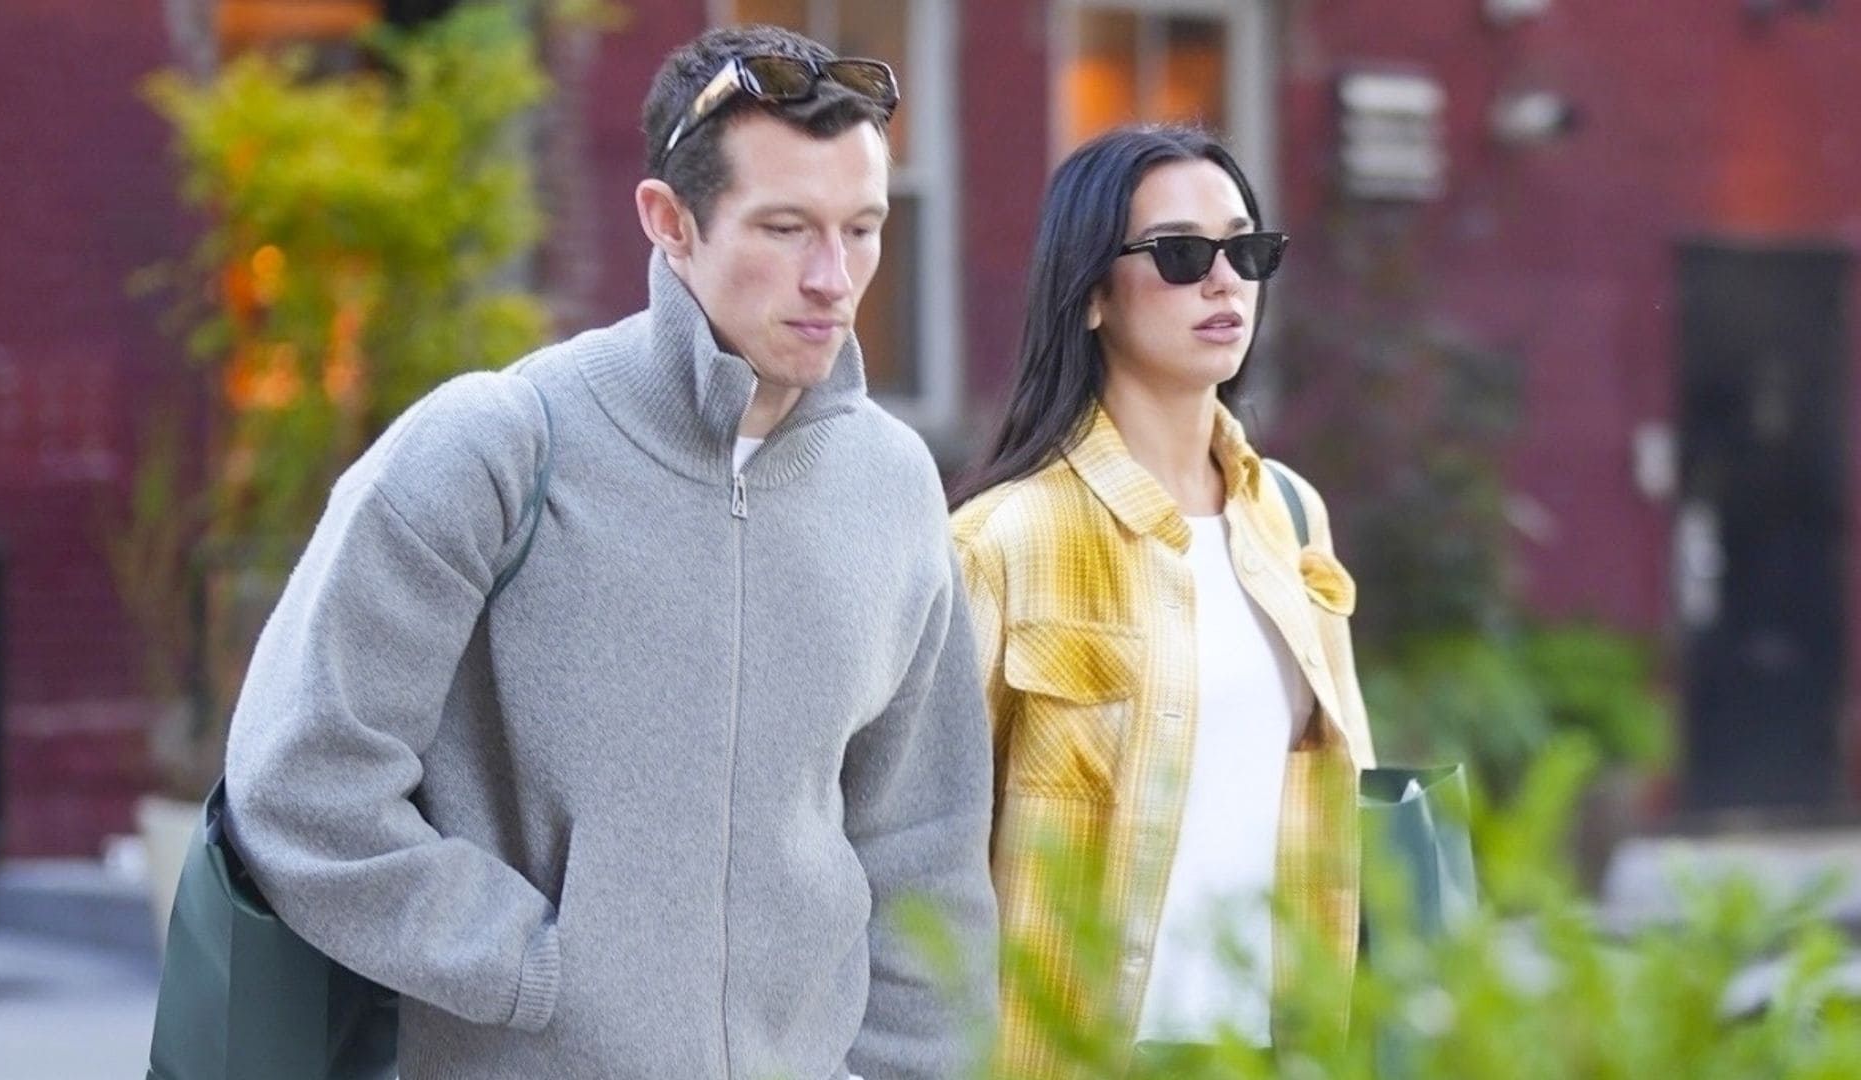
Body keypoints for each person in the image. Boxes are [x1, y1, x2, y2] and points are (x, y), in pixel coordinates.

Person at [223, 24, 997, 1080]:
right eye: (785, 228)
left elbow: (923, 847)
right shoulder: (493, 448)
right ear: (669, 223)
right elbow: (303, 779)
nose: (834, 277)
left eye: (862, 229)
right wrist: (530, 970)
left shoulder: (894, 485)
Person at [948, 124, 1376, 1076]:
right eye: (1182, 255)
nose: (1224, 281)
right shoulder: (1002, 542)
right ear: (1094, 292)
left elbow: (1347, 806)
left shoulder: (1293, 519)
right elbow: (922, 857)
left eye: (1247, 250)